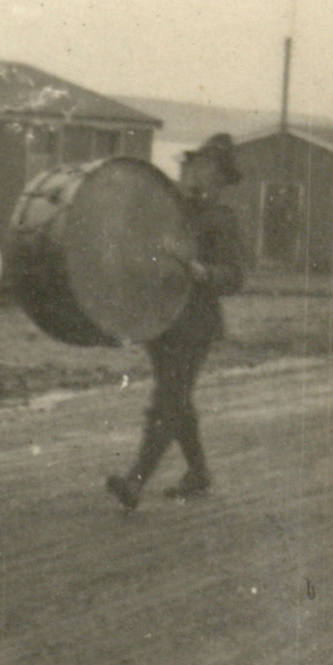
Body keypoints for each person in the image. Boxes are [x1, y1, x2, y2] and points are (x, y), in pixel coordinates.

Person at [106, 132, 245, 513]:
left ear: (220, 179)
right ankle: (199, 473)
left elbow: (236, 276)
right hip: (162, 318)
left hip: (195, 324)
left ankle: (135, 481)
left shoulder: (222, 219)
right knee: (177, 399)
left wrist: (205, 273)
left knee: (168, 399)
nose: (198, 174)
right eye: (196, 166)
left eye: (208, 170)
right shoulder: (170, 209)